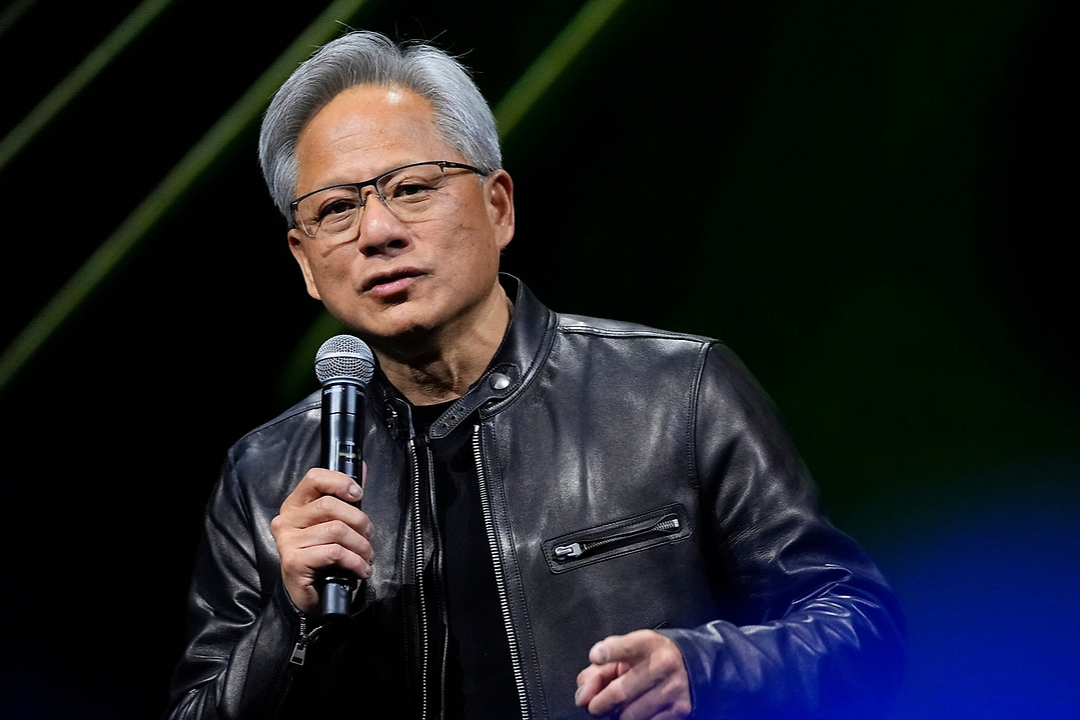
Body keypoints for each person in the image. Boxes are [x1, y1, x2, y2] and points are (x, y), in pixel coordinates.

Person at [165, 29, 905, 720]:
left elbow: (863, 631)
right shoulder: (264, 476)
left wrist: (707, 670)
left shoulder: (677, 391)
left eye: (413, 188)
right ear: (305, 263)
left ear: (498, 207)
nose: (378, 232)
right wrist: (286, 619)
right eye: (336, 209)